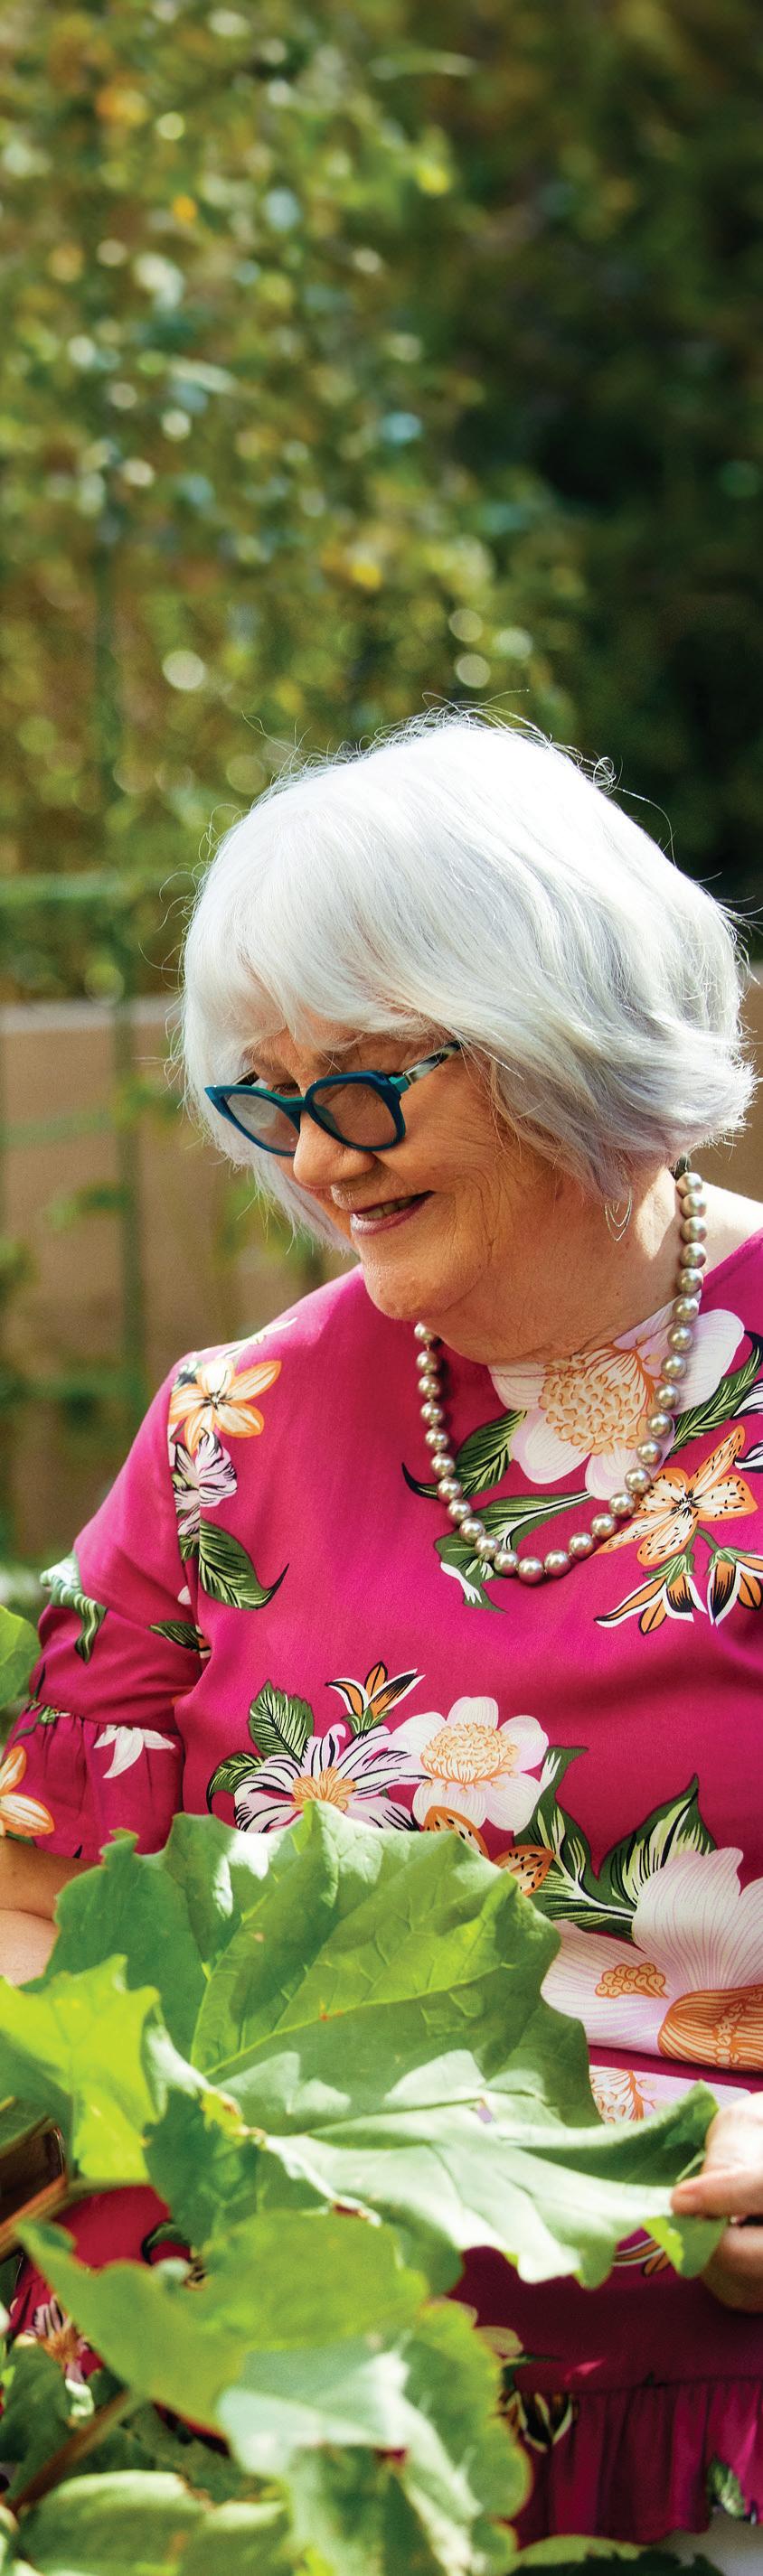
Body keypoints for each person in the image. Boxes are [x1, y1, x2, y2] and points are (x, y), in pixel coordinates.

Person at [2, 712, 763, 2561]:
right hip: (251, 2428)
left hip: (682, 2417)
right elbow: (39, 1899)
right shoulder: (226, 1429)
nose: (314, 1155)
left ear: (553, 1023)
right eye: (264, 1095)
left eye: (359, 1078)